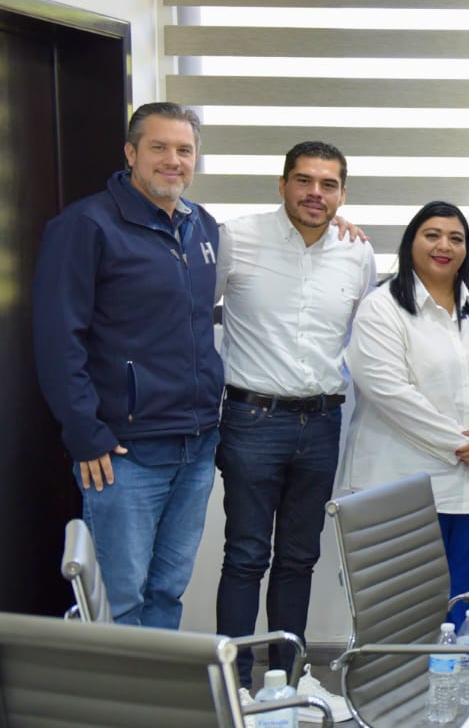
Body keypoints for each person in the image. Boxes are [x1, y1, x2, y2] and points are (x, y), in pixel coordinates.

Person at [33, 102, 223, 628]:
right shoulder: (86, 225)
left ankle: (157, 681)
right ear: (131, 153)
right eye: (159, 147)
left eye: (184, 150)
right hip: (124, 451)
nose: (173, 160)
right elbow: (58, 339)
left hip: (196, 444)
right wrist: (85, 433)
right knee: (121, 601)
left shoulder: (202, 226)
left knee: (167, 590)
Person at [213, 141, 376, 683]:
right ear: (282, 184)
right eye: (304, 180)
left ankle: (287, 681)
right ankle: (236, 685)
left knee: (299, 558)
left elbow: (365, 334)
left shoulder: (357, 253)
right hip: (252, 421)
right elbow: (192, 310)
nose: (315, 193)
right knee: (245, 557)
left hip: (323, 423)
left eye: (328, 185)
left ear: (342, 194)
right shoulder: (236, 238)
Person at [344, 200, 469, 629]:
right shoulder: (381, 306)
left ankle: (464, 670)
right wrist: (468, 446)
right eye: (432, 235)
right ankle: (405, 675)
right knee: (407, 606)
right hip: (408, 480)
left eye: (456, 238)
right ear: (411, 242)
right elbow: (391, 394)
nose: (445, 246)